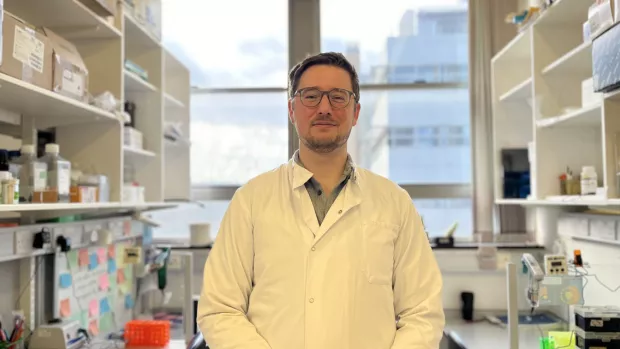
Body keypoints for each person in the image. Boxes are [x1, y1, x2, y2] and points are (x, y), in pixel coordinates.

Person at [197, 52, 445, 349]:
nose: (325, 108)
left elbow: (423, 313)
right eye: (311, 96)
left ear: (355, 113)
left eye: (338, 97)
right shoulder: (250, 200)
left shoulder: (395, 203)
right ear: (291, 110)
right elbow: (221, 308)